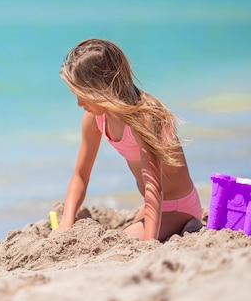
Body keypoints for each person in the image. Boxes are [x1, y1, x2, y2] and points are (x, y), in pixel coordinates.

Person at [58, 38, 202, 241]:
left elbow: (154, 186)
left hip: (178, 205)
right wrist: (66, 224)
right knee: (121, 237)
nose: (79, 103)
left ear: (103, 87)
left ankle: (186, 224)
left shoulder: (144, 115)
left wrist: (148, 244)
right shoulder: (94, 118)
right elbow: (81, 175)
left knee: (119, 243)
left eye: (83, 94)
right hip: (151, 206)